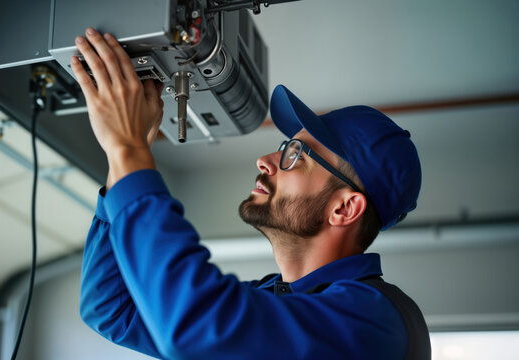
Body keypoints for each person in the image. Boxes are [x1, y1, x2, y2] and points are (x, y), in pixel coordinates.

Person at [71, 27, 431, 360]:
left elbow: (196, 325)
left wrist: (128, 150)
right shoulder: (280, 297)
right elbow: (112, 309)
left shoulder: (373, 320)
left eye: (296, 156)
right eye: (284, 146)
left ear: (344, 208)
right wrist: (122, 165)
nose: (265, 160)